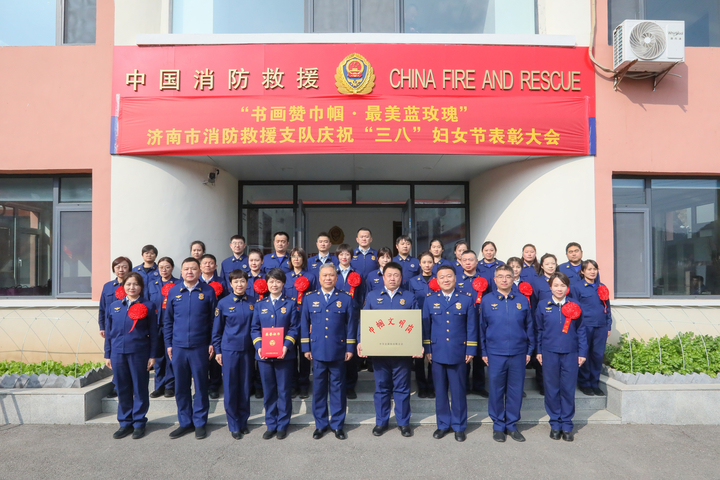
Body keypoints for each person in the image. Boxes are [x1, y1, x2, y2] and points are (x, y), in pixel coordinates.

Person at [358, 262, 421, 438]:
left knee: (402, 388)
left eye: (396, 275)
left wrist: (417, 344)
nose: (392, 278)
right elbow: (364, 321)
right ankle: (381, 422)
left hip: (402, 352)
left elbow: (417, 323)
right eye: (389, 275)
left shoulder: (409, 297)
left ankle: (403, 423)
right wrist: (361, 341)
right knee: (381, 388)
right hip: (380, 352)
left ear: (401, 278)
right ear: (383, 277)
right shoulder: (372, 296)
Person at [300, 263, 357, 440]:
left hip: (338, 350)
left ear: (336, 277)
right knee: (318, 389)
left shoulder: (345, 298)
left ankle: (338, 425)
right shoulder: (310, 298)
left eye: (331, 275)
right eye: (324, 275)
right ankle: (321, 424)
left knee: (338, 389)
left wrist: (350, 347)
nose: (328, 278)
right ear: (319, 278)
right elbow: (304, 323)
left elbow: (351, 325)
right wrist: (306, 347)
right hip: (317, 350)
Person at [422, 265, 478, 442]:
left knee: (458, 391)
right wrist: (428, 349)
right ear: (437, 280)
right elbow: (426, 327)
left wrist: (470, 349)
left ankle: (459, 426)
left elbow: (471, 326)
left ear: (455, 278)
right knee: (440, 391)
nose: (446, 280)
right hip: (437, 352)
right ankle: (443, 424)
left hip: (458, 352)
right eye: (442, 277)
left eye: (449, 276)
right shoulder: (430, 300)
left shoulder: (466, 299)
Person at [164, 257, 218, 440]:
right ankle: (185, 422)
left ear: (199, 271)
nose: (190, 272)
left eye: (193, 269)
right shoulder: (174, 291)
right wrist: (169, 344)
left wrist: (212, 343)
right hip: (178, 347)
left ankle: (200, 422)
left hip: (200, 346)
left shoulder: (208, 291)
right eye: (186, 269)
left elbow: (214, 321)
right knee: (181, 387)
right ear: (181, 272)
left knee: (201, 386)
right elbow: (168, 320)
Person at [480, 265, 534, 443]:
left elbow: (529, 326)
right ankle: (498, 425)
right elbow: (482, 328)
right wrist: (484, 351)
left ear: (513, 279)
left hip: (518, 352)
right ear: (494, 280)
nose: (504, 279)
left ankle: (511, 424)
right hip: (495, 353)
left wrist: (529, 350)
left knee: (515, 390)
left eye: (508, 276)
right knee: (496, 390)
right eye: (500, 276)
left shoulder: (522, 300)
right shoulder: (487, 300)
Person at [104, 272, 158, 440]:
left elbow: (154, 333)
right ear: (123, 286)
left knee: (140, 388)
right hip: (118, 353)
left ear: (141, 287)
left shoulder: (149, 306)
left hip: (139, 352)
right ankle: (125, 422)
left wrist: (152, 355)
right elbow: (109, 333)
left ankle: (139, 422)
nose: (132, 287)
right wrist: (107, 354)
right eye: (128, 284)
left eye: (135, 284)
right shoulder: (114, 306)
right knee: (122, 388)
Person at [535, 272, 587, 442]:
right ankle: (555, 424)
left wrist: (582, 352)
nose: (559, 288)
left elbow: (581, 330)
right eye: (556, 285)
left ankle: (567, 424)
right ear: (550, 287)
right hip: (549, 352)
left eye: (563, 285)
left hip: (570, 353)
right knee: (551, 389)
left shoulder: (575, 305)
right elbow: (539, 330)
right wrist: (539, 351)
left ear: (567, 287)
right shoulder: (543, 305)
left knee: (568, 389)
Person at [251, 268, 300, 440]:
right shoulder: (260, 304)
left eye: (278, 281)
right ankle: (271, 424)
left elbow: (294, 328)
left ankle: (283, 424)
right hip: (264, 356)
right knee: (269, 390)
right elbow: (255, 328)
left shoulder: (290, 304)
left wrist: (286, 346)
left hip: (284, 355)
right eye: (271, 281)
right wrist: (259, 346)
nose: (274, 284)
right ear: (266, 284)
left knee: (284, 391)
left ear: (283, 284)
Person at [212, 269, 255, 439]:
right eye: (236, 281)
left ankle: (243, 421)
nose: (239, 284)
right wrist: (218, 351)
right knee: (231, 387)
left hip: (248, 350)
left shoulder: (253, 301)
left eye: (242, 281)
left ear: (247, 283)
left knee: (245, 387)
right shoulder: (223, 303)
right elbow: (217, 330)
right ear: (230, 284)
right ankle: (233, 424)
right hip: (229, 350)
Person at [572, 260, 612, 397]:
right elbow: (574, 309)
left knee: (597, 356)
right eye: (589, 269)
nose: (592, 271)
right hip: (585, 326)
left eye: (594, 269)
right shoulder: (577, 287)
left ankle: (595, 384)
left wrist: (608, 325)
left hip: (601, 326)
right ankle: (585, 384)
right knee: (585, 355)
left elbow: (607, 308)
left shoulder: (602, 287)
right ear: (583, 271)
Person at [454, 250, 489, 398]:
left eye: (471, 260)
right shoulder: (456, 279)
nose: (468, 262)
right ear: (460, 262)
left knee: (479, 353)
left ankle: (478, 386)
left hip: (480, 320)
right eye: (465, 260)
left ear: (476, 262)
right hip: (462, 321)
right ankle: (464, 386)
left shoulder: (485, 279)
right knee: (464, 354)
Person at [284, 247, 316, 399]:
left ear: (304, 259)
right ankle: (292, 384)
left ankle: (304, 384)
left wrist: (312, 320)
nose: (296, 259)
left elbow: (315, 298)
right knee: (290, 354)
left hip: (305, 320)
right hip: (289, 321)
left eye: (299, 256)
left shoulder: (311, 277)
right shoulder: (285, 277)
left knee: (305, 354)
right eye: (293, 256)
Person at [99, 256, 133, 399]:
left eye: (124, 267)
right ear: (114, 269)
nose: (121, 270)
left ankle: (127, 386)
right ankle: (117, 385)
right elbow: (102, 308)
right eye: (118, 267)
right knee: (114, 358)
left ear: (129, 268)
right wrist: (102, 326)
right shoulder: (108, 287)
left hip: (130, 328)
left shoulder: (133, 286)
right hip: (112, 328)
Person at [335, 243, 364, 398]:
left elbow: (362, 296)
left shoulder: (357, 274)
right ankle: (338, 384)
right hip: (336, 316)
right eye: (341, 254)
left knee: (351, 349)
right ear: (337, 256)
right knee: (337, 349)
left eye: (347, 254)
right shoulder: (332, 273)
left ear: (351, 257)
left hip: (353, 316)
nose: (344, 257)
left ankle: (350, 386)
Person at [147, 256, 180, 398]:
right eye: (161, 267)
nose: (164, 270)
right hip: (156, 324)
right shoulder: (152, 284)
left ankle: (170, 386)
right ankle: (158, 386)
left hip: (172, 325)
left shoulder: (178, 284)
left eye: (167, 267)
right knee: (158, 356)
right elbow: (147, 304)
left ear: (172, 268)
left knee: (170, 355)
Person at [408, 251, 436, 398]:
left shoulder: (439, 279)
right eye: (424, 262)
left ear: (434, 263)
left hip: (436, 320)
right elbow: (410, 301)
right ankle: (421, 386)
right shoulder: (413, 281)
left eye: (430, 262)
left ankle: (431, 386)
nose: (427, 265)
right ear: (419, 264)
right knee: (419, 354)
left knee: (433, 354)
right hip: (418, 320)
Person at [199, 253, 227, 400]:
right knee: (201, 356)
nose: (208, 265)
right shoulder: (196, 282)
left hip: (217, 319)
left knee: (215, 351)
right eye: (205, 263)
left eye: (211, 263)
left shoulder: (222, 281)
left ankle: (214, 385)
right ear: (200, 266)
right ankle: (202, 385)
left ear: (215, 266)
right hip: (201, 321)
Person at [246, 248, 265, 398]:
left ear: (262, 261)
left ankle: (259, 385)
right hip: (246, 320)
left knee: (261, 352)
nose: (254, 263)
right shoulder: (243, 278)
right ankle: (249, 384)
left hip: (263, 320)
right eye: (251, 260)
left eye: (257, 260)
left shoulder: (267, 278)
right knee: (248, 355)